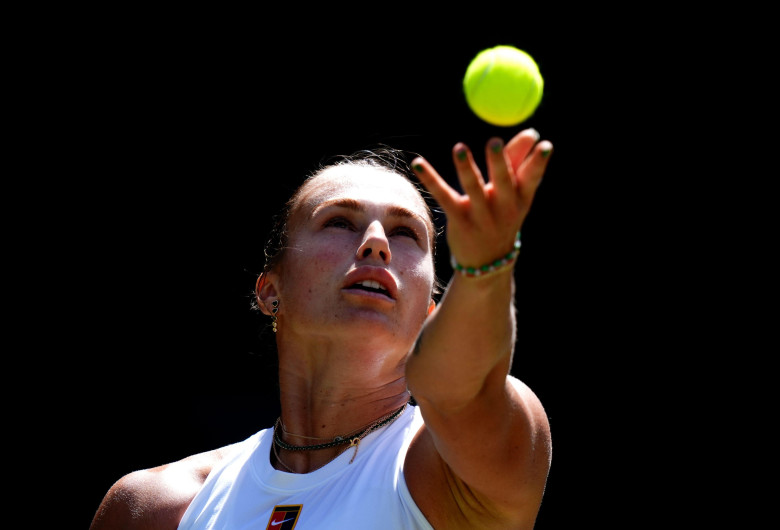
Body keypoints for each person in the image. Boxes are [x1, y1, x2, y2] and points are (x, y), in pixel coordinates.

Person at [90, 127, 554, 529]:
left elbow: (457, 389)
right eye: (339, 222)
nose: (376, 244)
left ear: (431, 313)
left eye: (404, 233)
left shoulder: (446, 472)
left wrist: (484, 270)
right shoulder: (153, 509)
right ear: (272, 290)